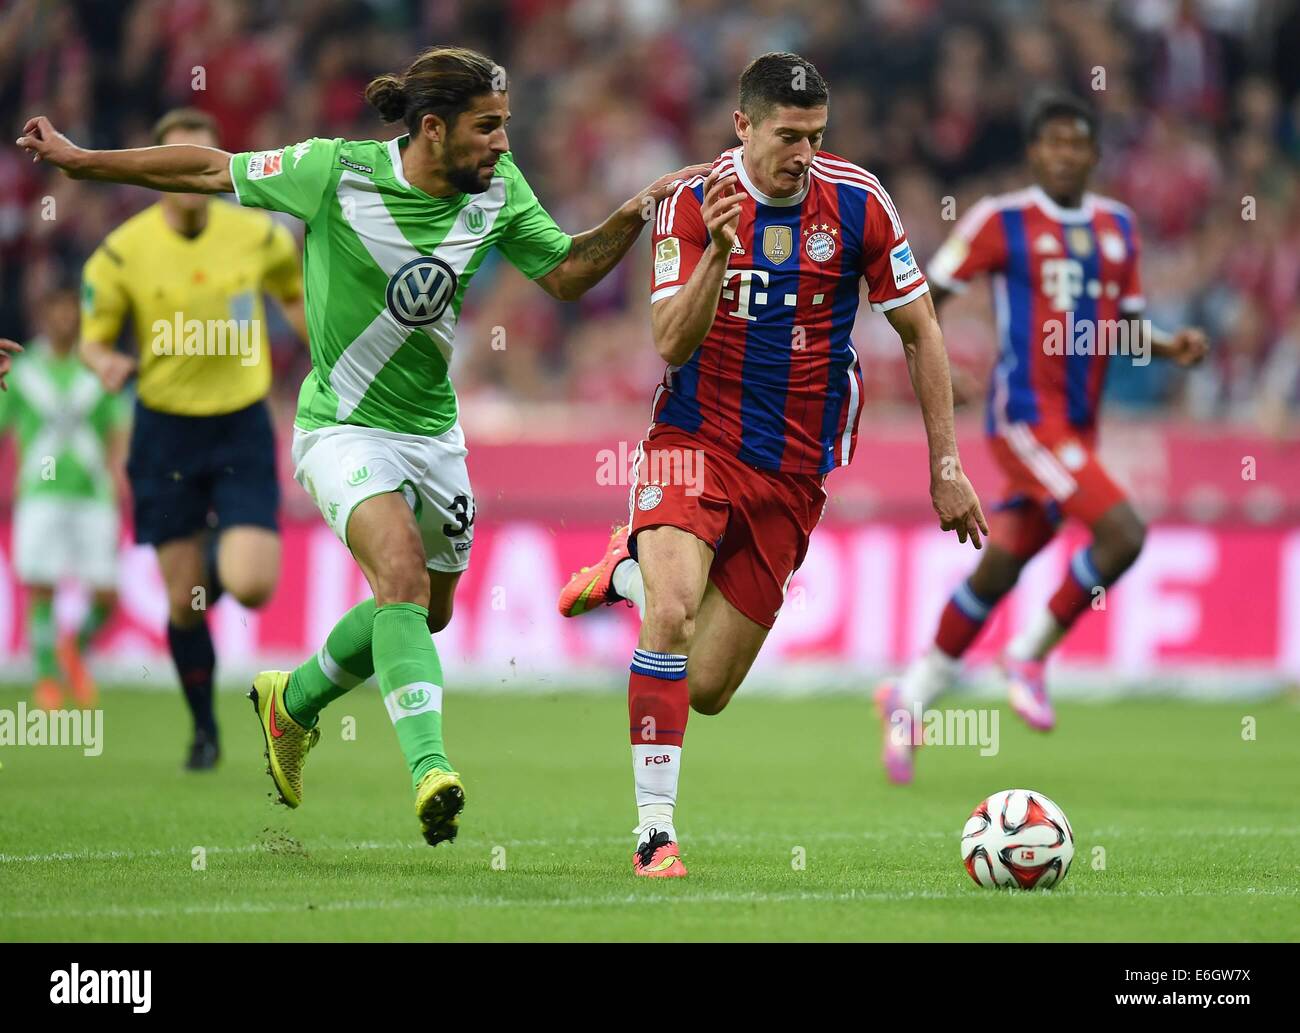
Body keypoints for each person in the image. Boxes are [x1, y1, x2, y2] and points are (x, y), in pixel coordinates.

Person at [15, 45, 706, 845]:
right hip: (340, 427)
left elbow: (564, 274)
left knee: (423, 611)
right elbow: (213, 169)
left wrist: (632, 214)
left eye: (506, 126)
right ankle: (430, 771)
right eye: (489, 128)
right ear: (434, 129)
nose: (505, 145)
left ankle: (293, 702)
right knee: (403, 579)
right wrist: (82, 160)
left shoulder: (499, 190)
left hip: (434, 434)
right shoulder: (332, 171)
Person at [555, 53, 986, 876]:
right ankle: (654, 832)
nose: (804, 153)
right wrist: (718, 254)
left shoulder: (857, 202)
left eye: (816, 136)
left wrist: (946, 465)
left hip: (792, 472)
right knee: (673, 617)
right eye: (789, 135)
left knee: (707, 687)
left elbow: (922, 330)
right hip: (693, 441)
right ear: (743, 125)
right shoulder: (692, 201)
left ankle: (623, 569)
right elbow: (670, 342)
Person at [876, 93, 1209, 784]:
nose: (1064, 154)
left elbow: (1124, 325)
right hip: (1024, 416)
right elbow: (922, 298)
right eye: (1052, 143)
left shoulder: (1118, 227)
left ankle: (908, 696)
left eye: (1076, 143)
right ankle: (1028, 653)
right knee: (1124, 532)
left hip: (1077, 424)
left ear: (1092, 154)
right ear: (1034, 152)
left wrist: (1169, 346)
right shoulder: (1001, 220)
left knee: (1000, 567)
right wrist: (943, 373)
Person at [79, 107, 307, 770]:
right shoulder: (121, 252)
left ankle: (212, 555)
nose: (193, 179)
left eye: (205, 167)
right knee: (185, 602)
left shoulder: (260, 236)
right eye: (178, 166)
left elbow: (295, 301)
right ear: (155, 173)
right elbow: (94, 343)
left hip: (240, 423)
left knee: (253, 582)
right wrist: (107, 364)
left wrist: (326, 349)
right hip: (165, 430)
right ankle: (204, 729)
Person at [0, 285, 128, 709]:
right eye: (56, 309)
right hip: (40, 493)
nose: (64, 318)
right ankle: (45, 678)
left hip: (93, 493)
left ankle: (72, 647)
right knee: (42, 585)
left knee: (107, 593)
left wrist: (120, 475)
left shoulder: (95, 369)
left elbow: (116, 428)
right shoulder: (22, 370)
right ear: (43, 313)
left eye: (71, 309)